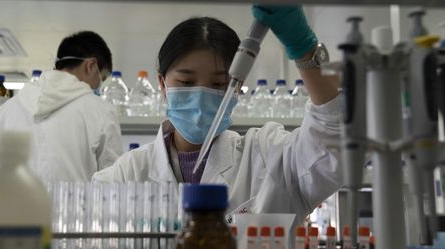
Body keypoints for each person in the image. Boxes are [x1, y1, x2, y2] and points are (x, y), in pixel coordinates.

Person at [93, 6, 341, 228]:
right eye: (187, 81)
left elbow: (335, 140)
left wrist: (303, 48)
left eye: (219, 83)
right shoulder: (124, 177)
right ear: (162, 83)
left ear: (237, 87)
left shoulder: (268, 157)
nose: (201, 95)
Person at [0, 31, 123, 182]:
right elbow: (111, 185)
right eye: (102, 78)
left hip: (17, 206)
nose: (98, 86)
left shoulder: (7, 110)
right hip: (77, 205)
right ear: (91, 66)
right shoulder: (102, 111)